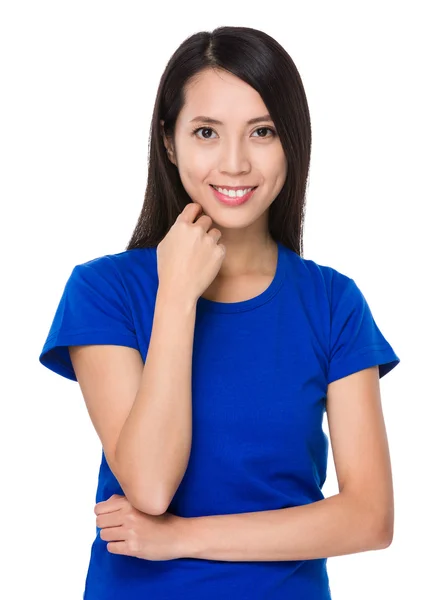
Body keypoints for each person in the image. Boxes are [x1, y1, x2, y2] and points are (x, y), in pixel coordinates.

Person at [39, 25, 400, 600]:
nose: (234, 163)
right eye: (207, 131)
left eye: (262, 132)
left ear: (292, 142)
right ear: (169, 141)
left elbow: (369, 519)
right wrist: (177, 296)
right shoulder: (104, 290)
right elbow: (151, 485)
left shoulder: (333, 303)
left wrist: (180, 538)